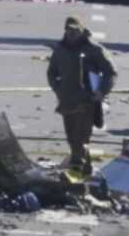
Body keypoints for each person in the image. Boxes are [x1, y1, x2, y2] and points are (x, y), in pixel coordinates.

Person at [46, 16, 116, 176]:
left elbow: (110, 72)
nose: (72, 33)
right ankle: (86, 170)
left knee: (80, 139)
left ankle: (75, 173)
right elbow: (52, 73)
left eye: (75, 30)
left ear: (81, 30)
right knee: (72, 140)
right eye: (69, 30)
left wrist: (101, 91)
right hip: (66, 101)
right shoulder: (60, 50)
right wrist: (58, 88)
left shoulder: (94, 49)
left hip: (87, 101)